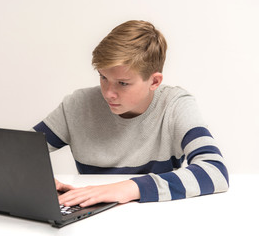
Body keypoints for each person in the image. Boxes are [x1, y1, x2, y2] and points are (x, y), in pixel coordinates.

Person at [33, 20, 229, 207]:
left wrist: (128, 188)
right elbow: (15, 153)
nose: (108, 93)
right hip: (91, 219)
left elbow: (215, 171)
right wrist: (38, 178)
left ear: (154, 82)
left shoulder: (175, 105)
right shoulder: (78, 104)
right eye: (103, 77)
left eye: (123, 83)